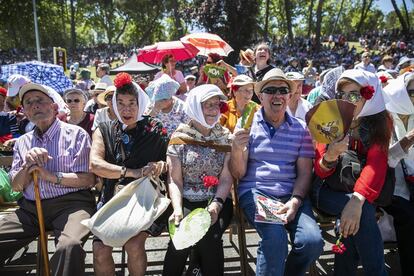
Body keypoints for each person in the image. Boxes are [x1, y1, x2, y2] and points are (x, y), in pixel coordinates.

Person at [230, 68, 323, 275]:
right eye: (270, 90)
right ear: (261, 96)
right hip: (257, 191)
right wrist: (236, 149)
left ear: (289, 96)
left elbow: (305, 173)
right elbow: (238, 173)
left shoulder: (301, 128)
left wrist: (296, 200)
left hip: (291, 194)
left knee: (312, 242)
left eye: (282, 90)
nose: (277, 95)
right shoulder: (247, 126)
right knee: (275, 238)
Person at [0, 82, 96, 275]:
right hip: (31, 208)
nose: (35, 105)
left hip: (73, 205)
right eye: (28, 103)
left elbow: (89, 180)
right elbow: (17, 186)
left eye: (40, 101)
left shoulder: (76, 135)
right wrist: (28, 165)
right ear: (25, 112)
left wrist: (50, 176)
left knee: (69, 247)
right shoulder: (23, 142)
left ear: (53, 107)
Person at [312, 69, 392, 276]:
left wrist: (356, 199)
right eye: (342, 95)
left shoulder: (381, 121)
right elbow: (320, 172)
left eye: (354, 95)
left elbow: (377, 164)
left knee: (353, 217)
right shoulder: (328, 117)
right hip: (326, 189)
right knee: (362, 212)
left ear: (368, 95)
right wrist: (331, 155)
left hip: (359, 190)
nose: (347, 101)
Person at [89, 72, 169, 276]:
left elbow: (169, 163)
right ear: (113, 104)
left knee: (134, 245)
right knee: (99, 250)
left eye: (132, 103)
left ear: (140, 102)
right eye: (121, 103)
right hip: (113, 199)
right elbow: (95, 165)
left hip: (146, 199)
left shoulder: (155, 128)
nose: (126, 109)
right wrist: (133, 172)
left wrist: (160, 165)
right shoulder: (104, 129)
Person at [163, 84, 233, 276]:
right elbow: (174, 180)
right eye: (207, 105)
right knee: (180, 236)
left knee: (211, 237)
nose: (213, 110)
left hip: (218, 199)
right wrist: (177, 209)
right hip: (186, 199)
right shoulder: (179, 137)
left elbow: (226, 178)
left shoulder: (226, 137)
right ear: (194, 106)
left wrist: (217, 205)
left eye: (216, 104)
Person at [383, 72, 414, 276]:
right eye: (412, 92)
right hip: (390, 185)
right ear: (401, 93)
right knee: (408, 216)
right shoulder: (383, 118)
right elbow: (384, 161)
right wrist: (405, 143)